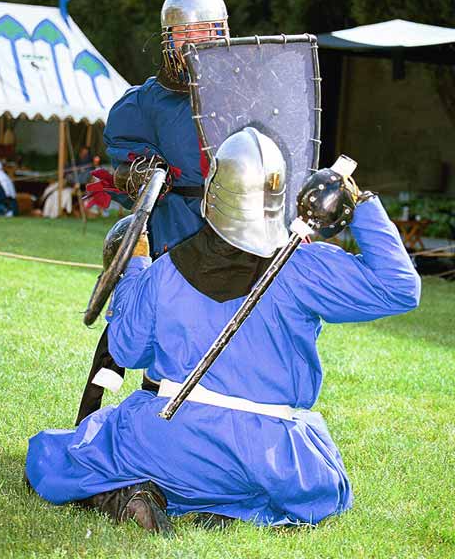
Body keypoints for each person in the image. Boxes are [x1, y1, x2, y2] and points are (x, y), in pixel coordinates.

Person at [26, 128, 420, 533]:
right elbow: (400, 288)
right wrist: (362, 203)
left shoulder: (165, 272)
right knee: (315, 486)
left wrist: (136, 266)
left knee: (61, 453)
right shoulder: (304, 267)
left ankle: (134, 495)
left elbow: (126, 351)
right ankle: (234, 509)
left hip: (171, 439)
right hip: (271, 458)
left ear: (213, 193)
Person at [89, 0, 230, 258]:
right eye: (184, 32)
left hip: (239, 227)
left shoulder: (247, 93)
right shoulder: (143, 104)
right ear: (169, 38)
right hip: (176, 231)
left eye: (205, 29)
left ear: (221, 32)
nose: (196, 40)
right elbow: (122, 171)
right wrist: (140, 174)